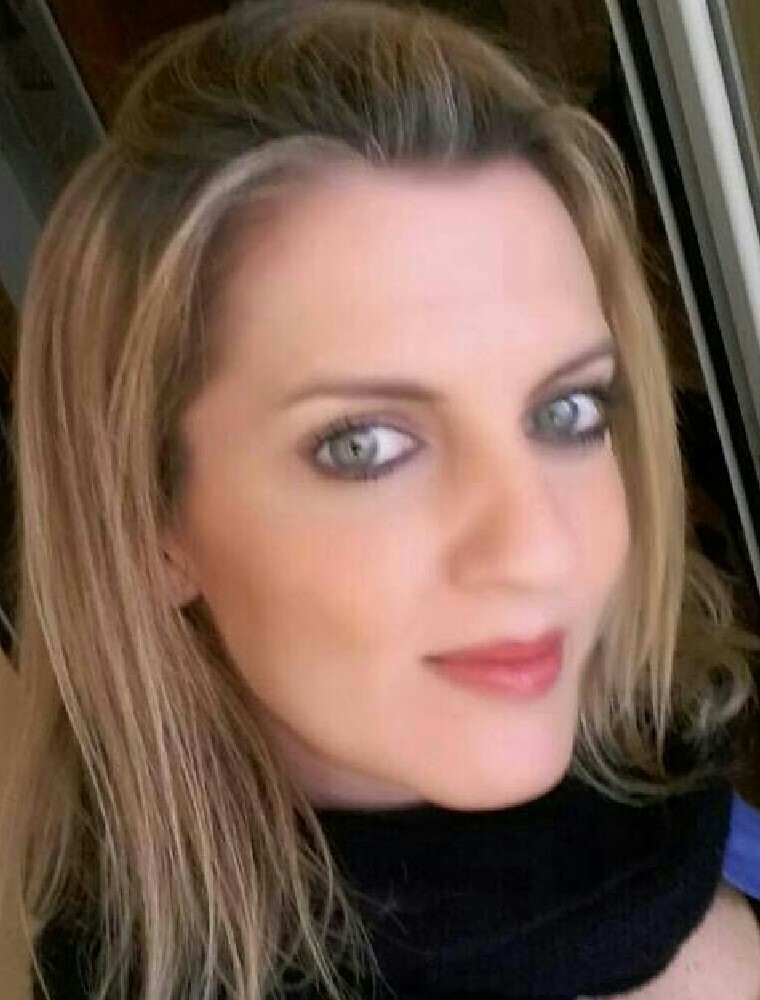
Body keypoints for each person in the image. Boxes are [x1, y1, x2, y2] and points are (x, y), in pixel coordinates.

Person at [1, 1, 759, 998]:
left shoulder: (664, 781)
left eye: (567, 411)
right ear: (148, 521)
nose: (537, 547)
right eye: (363, 445)